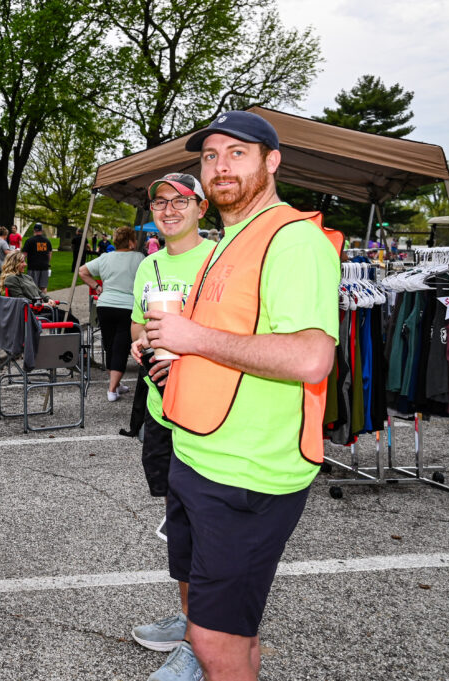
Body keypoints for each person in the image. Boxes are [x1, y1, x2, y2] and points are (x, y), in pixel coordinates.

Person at [142, 111, 340, 681]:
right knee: (232, 633)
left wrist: (194, 337)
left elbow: (309, 356)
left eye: (237, 153)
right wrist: (174, 352)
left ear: (271, 162)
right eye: (210, 156)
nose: (220, 166)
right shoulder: (233, 238)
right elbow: (236, 339)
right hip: (202, 456)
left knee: (213, 641)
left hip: (249, 474)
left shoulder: (292, 240)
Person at [126, 173, 215, 665]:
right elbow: (140, 323)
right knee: (178, 523)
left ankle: (202, 641)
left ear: (202, 207)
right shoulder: (149, 266)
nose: (170, 208)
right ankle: (190, 619)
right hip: (162, 411)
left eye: (181, 200)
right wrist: (140, 342)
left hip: (207, 411)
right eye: (161, 201)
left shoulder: (219, 260)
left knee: (209, 524)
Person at [78, 226, 144, 402]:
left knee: (109, 345)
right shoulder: (139, 258)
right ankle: (112, 389)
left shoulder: (105, 258)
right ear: (131, 242)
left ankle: (116, 382)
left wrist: (97, 287)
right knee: (121, 346)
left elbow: (82, 271)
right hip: (128, 306)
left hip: (105, 305)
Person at [0, 250, 79, 325]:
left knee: (69, 318)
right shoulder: (11, 279)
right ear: (14, 263)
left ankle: (65, 339)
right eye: (22, 262)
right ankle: (69, 339)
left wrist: (48, 299)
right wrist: (42, 304)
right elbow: (21, 300)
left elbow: (39, 292)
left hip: (40, 309)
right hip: (31, 312)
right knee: (72, 322)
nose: (25, 264)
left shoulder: (26, 277)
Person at [21, 222, 53, 292]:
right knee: (43, 287)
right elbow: (49, 253)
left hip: (33, 267)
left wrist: (22, 264)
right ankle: (43, 301)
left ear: (34, 230)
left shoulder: (29, 241)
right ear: (42, 230)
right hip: (44, 266)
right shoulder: (47, 241)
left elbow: (24, 254)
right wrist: (47, 262)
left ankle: (34, 301)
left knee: (32, 286)